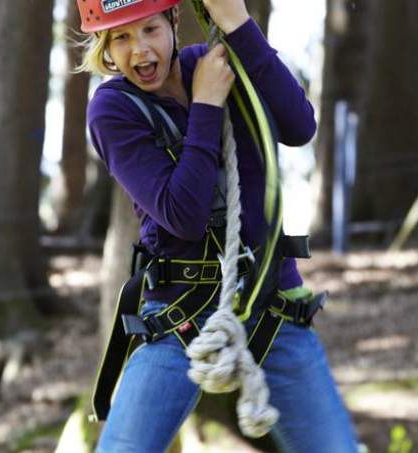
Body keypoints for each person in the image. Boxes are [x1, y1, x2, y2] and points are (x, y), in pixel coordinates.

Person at [76, 0, 359, 451]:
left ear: (172, 20)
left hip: (271, 306)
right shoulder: (113, 110)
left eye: (149, 29)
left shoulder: (216, 63)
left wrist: (236, 22)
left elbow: (299, 125)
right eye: (121, 38)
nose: (140, 51)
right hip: (179, 317)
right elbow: (182, 214)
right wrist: (207, 104)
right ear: (104, 46)